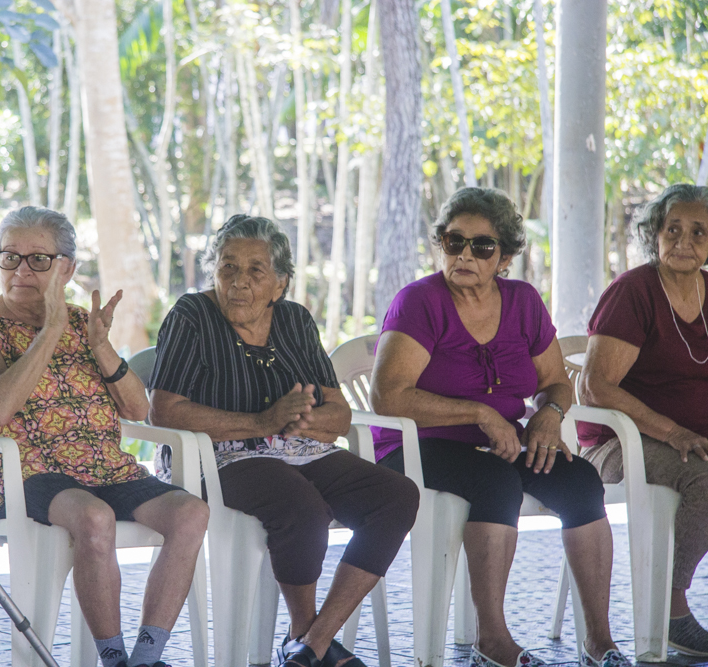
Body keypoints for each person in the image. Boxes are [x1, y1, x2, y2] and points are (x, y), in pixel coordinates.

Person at [369, 188, 629, 667]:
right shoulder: (419, 303)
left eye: (481, 246)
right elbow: (389, 397)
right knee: (496, 481)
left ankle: (600, 640)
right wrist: (480, 413)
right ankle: (492, 638)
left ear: (504, 256)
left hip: (501, 441)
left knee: (581, 483)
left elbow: (554, 383)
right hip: (415, 443)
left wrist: (549, 416)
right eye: (453, 242)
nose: (465, 254)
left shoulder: (524, 302)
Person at [148, 214, 419, 667]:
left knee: (396, 496)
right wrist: (263, 421)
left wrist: (303, 420)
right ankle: (305, 635)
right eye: (227, 267)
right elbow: (164, 411)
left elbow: (338, 414)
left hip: (299, 448)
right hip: (214, 457)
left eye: (255, 270)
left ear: (280, 283)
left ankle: (313, 642)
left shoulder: (294, 320)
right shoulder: (192, 315)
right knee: (302, 507)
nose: (238, 282)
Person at [0, 206, 208, 667]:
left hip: (103, 468)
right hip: (21, 474)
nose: (21, 270)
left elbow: (137, 410)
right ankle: (113, 659)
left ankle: (145, 660)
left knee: (190, 514)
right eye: (9, 258)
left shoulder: (84, 323)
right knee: (94, 518)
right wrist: (50, 331)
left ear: (66, 268)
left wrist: (101, 347)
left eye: (38, 260)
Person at [578, 184, 708, 655]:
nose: (684, 241)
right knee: (705, 479)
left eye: (698, 232)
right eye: (672, 229)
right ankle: (668, 610)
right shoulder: (633, 292)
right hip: (617, 442)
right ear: (654, 233)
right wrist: (673, 432)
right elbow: (596, 387)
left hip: (690, 439)